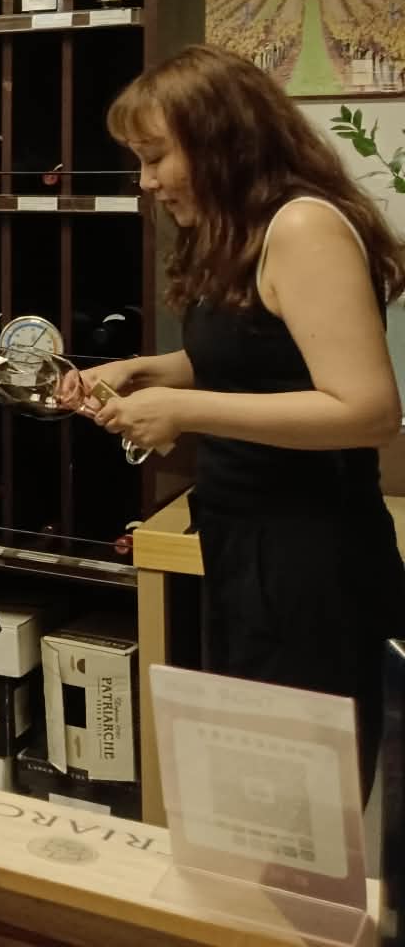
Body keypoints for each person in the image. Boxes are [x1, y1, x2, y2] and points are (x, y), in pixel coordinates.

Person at [60, 45, 405, 797]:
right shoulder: (243, 232)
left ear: (222, 142)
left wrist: (184, 410)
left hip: (310, 562)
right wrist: (147, 370)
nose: (146, 181)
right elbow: (262, 362)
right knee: (258, 804)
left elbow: (368, 409)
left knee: (297, 818)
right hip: (247, 544)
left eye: (156, 157)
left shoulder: (303, 228)